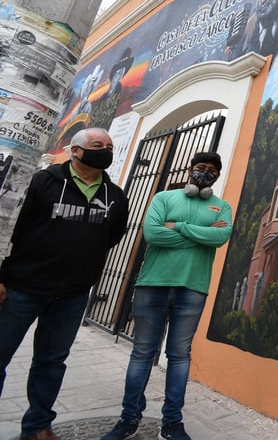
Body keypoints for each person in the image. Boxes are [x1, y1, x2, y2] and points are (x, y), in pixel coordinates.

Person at [0, 127, 129, 440]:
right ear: (75, 151)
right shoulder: (43, 181)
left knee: (51, 362)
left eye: (110, 146)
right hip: (21, 288)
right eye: (98, 145)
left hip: (71, 295)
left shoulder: (116, 196)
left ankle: (37, 427)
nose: (106, 150)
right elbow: (12, 226)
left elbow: (112, 236)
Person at [100, 152, 232, 440]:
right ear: (190, 169)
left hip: (193, 288)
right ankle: (128, 419)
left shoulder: (221, 206)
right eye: (200, 168)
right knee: (142, 353)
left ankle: (172, 423)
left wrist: (179, 226)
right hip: (153, 285)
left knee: (179, 356)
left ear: (217, 176)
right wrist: (200, 233)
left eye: (211, 170)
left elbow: (220, 238)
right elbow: (152, 233)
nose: (205, 173)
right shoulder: (164, 198)